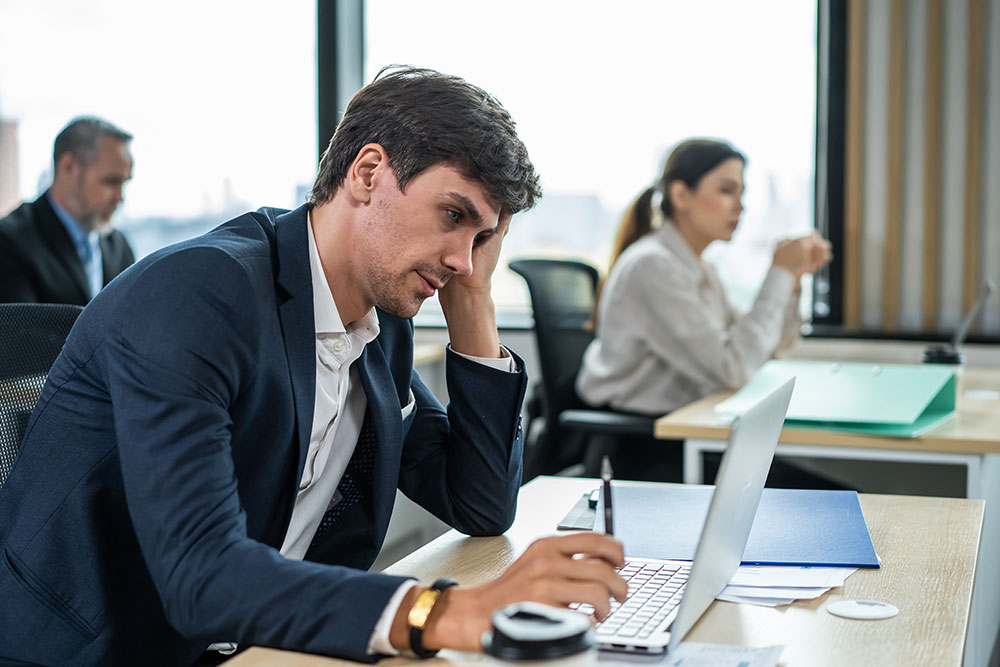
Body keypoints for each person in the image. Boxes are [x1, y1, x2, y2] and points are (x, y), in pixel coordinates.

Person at [0, 68, 625, 667]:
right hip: (101, 653)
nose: (465, 258)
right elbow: (200, 575)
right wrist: (444, 614)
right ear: (369, 172)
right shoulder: (202, 295)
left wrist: (475, 302)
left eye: (483, 238)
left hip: (263, 646)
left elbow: (481, 504)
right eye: (454, 216)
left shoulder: (381, 325)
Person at [577, 138, 832, 416]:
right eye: (726, 191)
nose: (740, 206)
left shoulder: (700, 268)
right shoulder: (652, 267)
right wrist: (779, 271)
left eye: (741, 194)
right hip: (640, 436)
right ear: (681, 195)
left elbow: (766, 349)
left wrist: (791, 282)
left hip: (685, 419)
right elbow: (736, 368)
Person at [0, 116, 135, 305]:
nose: (119, 198)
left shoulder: (119, 247)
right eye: (111, 182)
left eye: (124, 183)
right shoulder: (9, 243)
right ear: (68, 167)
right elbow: (20, 333)